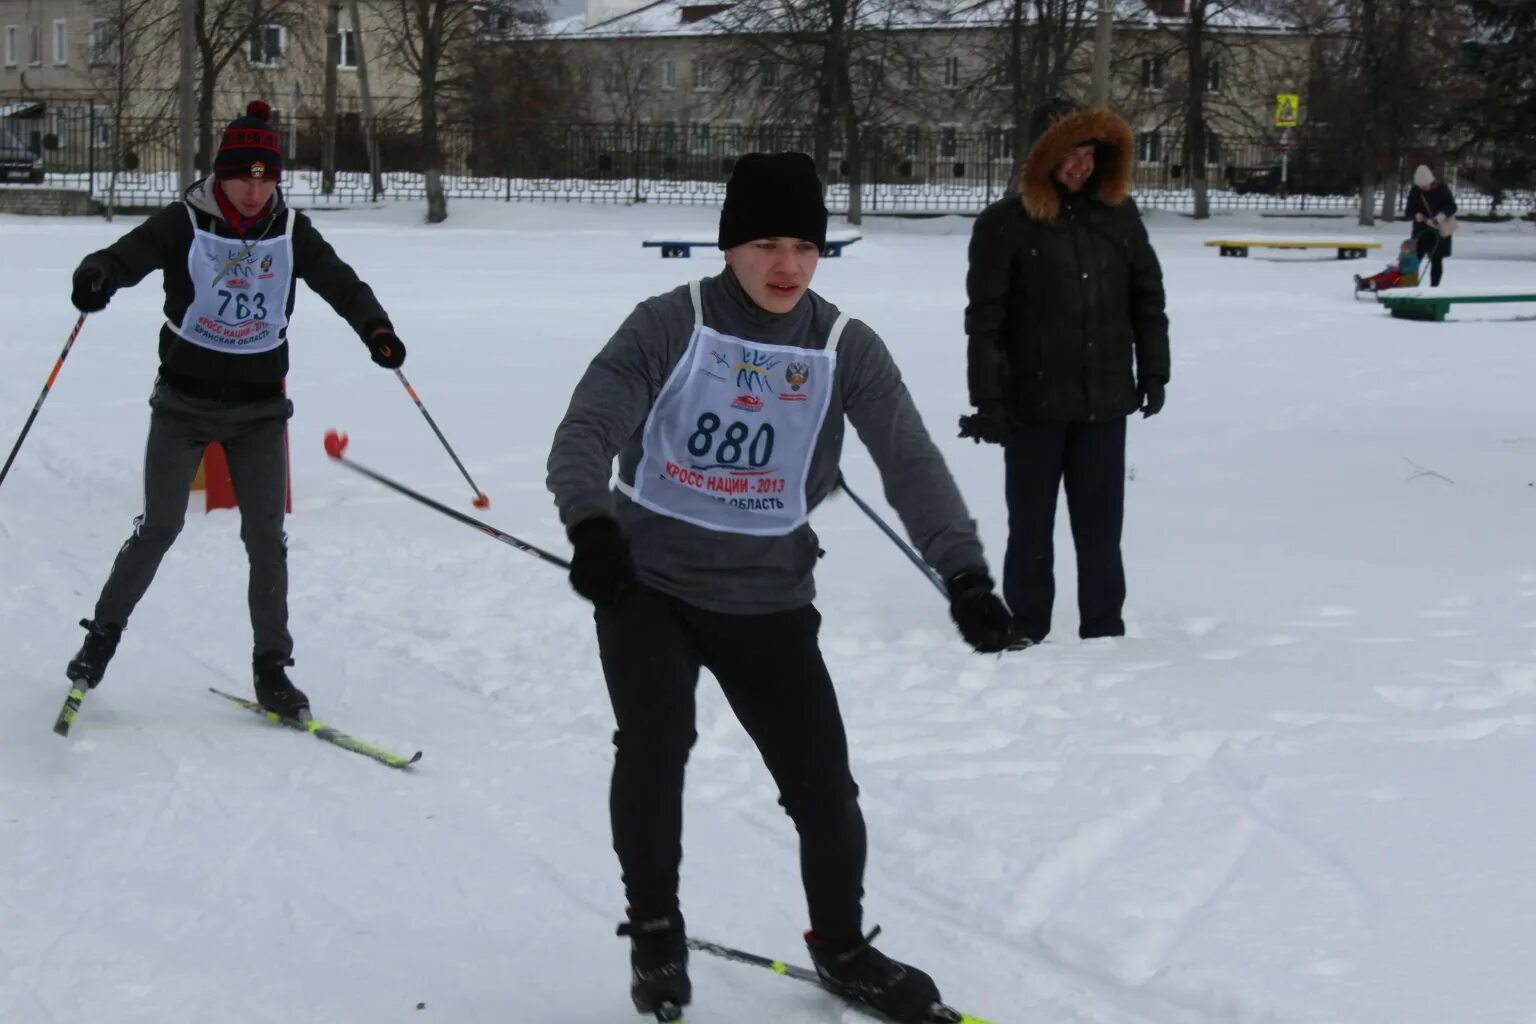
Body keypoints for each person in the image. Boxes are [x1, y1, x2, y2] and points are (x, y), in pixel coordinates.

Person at [545, 152, 1015, 1024]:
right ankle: (654, 927)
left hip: (768, 599)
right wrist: (592, 526)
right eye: (766, 243)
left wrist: (964, 574)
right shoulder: (668, 322)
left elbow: (908, 458)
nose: (787, 265)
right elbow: (587, 428)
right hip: (648, 584)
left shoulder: (842, 346)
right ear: (729, 247)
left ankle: (842, 945)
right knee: (655, 745)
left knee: (824, 789)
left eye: (806, 244)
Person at [63, 100, 404, 719]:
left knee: (265, 540)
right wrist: (97, 274)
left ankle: (272, 670)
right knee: (160, 528)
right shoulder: (183, 221)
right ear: (221, 176)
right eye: (243, 177)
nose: (254, 190)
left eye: (265, 177)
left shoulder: (292, 230)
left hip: (259, 413)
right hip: (182, 406)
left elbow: (341, 283)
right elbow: (125, 257)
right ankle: (99, 642)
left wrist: (375, 328)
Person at [959, 98, 1170, 645]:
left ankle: (1104, 628)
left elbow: (1147, 296)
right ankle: (1027, 626)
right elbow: (985, 322)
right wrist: (990, 402)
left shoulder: (1118, 217)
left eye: (1089, 152)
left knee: (1101, 529)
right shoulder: (1004, 225)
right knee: (1030, 528)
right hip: (1031, 408)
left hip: (1105, 403)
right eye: (1068, 153)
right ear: (1040, 157)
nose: (1080, 164)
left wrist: (1154, 372)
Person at [1405, 164, 1457, 287]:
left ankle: (1434, 287)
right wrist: (1416, 216)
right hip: (1421, 230)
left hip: (1439, 229)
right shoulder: (1415, 191)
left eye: (1425, 185)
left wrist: (1442, 215)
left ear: (1431, 181)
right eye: (1421, 186)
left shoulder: (1442, 188)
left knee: (1436, 259)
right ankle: (1411, 285)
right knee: (1415, 258)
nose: (1424, 187)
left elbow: (1452, 206)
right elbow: (1408, 211)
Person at [1354, 238, 1422, 292]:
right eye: (1402, 249)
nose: (1402, 251)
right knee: (1381, 274)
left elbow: (1410, 269)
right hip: (1397, 273)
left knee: (1391, 277)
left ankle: (1378, 285)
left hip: (1406, 277)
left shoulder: (1413, 259)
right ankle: (1364, 282)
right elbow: (1397, 264)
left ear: (1410, 250)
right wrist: (1390, 268)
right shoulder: (1402, 257)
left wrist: (1399, 269)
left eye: (1404, 249)